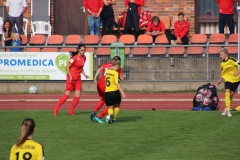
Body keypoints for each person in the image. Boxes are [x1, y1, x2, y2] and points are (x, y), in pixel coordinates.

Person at [53, 44, 89, 116]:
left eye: (84, 50)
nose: (83, 52)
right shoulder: (74, 58)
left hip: (78, 79)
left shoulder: (84, 58)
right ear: (78, 50)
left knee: (78, 95)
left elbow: (80, 68)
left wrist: (84, 74)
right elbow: (67, 67)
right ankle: (55, 109)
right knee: (67, 94)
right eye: (81, 50)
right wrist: (70, 76)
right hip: (71, 78)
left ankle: (71, 111)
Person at [90, 56, 125, 123]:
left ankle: (94, 112)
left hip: (100, 83)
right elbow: (122, 79)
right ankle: (100, 116)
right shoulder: (118, 68)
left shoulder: (106, 65)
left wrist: (95, 78)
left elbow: (99, 69)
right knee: (113, 103)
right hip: (107, 86)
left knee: (104, 99)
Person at [216, 48, 240, 117]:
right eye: (220, 55)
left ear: (226, 54)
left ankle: (226, 108)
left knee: (230, 96)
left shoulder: (232, 60)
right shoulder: (222, 63)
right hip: (227, 80)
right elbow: (223, 72)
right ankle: (229, 111)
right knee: (227, 94)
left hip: (236, 80)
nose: (221, 56)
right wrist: (220, 80)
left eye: (222, 54)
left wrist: (238, 72)